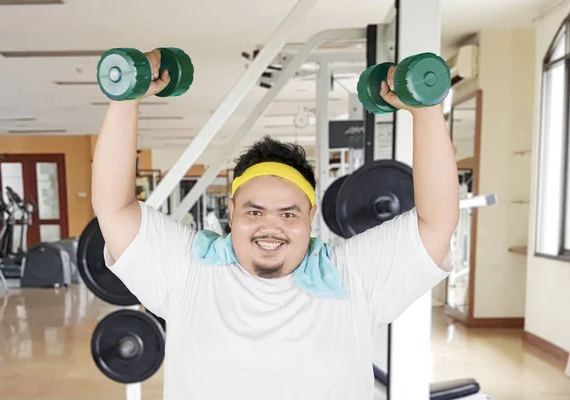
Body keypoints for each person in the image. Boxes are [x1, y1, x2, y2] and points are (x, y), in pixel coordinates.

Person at [92, 49, 459, 400]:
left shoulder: (350, 276)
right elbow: (114, 209)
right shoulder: (188, 270)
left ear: (310, 216)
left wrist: (426, 111)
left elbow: (436, 225)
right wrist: (126, 98)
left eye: (288, 214)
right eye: (254, 212)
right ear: (231, 212)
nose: (271, 227)